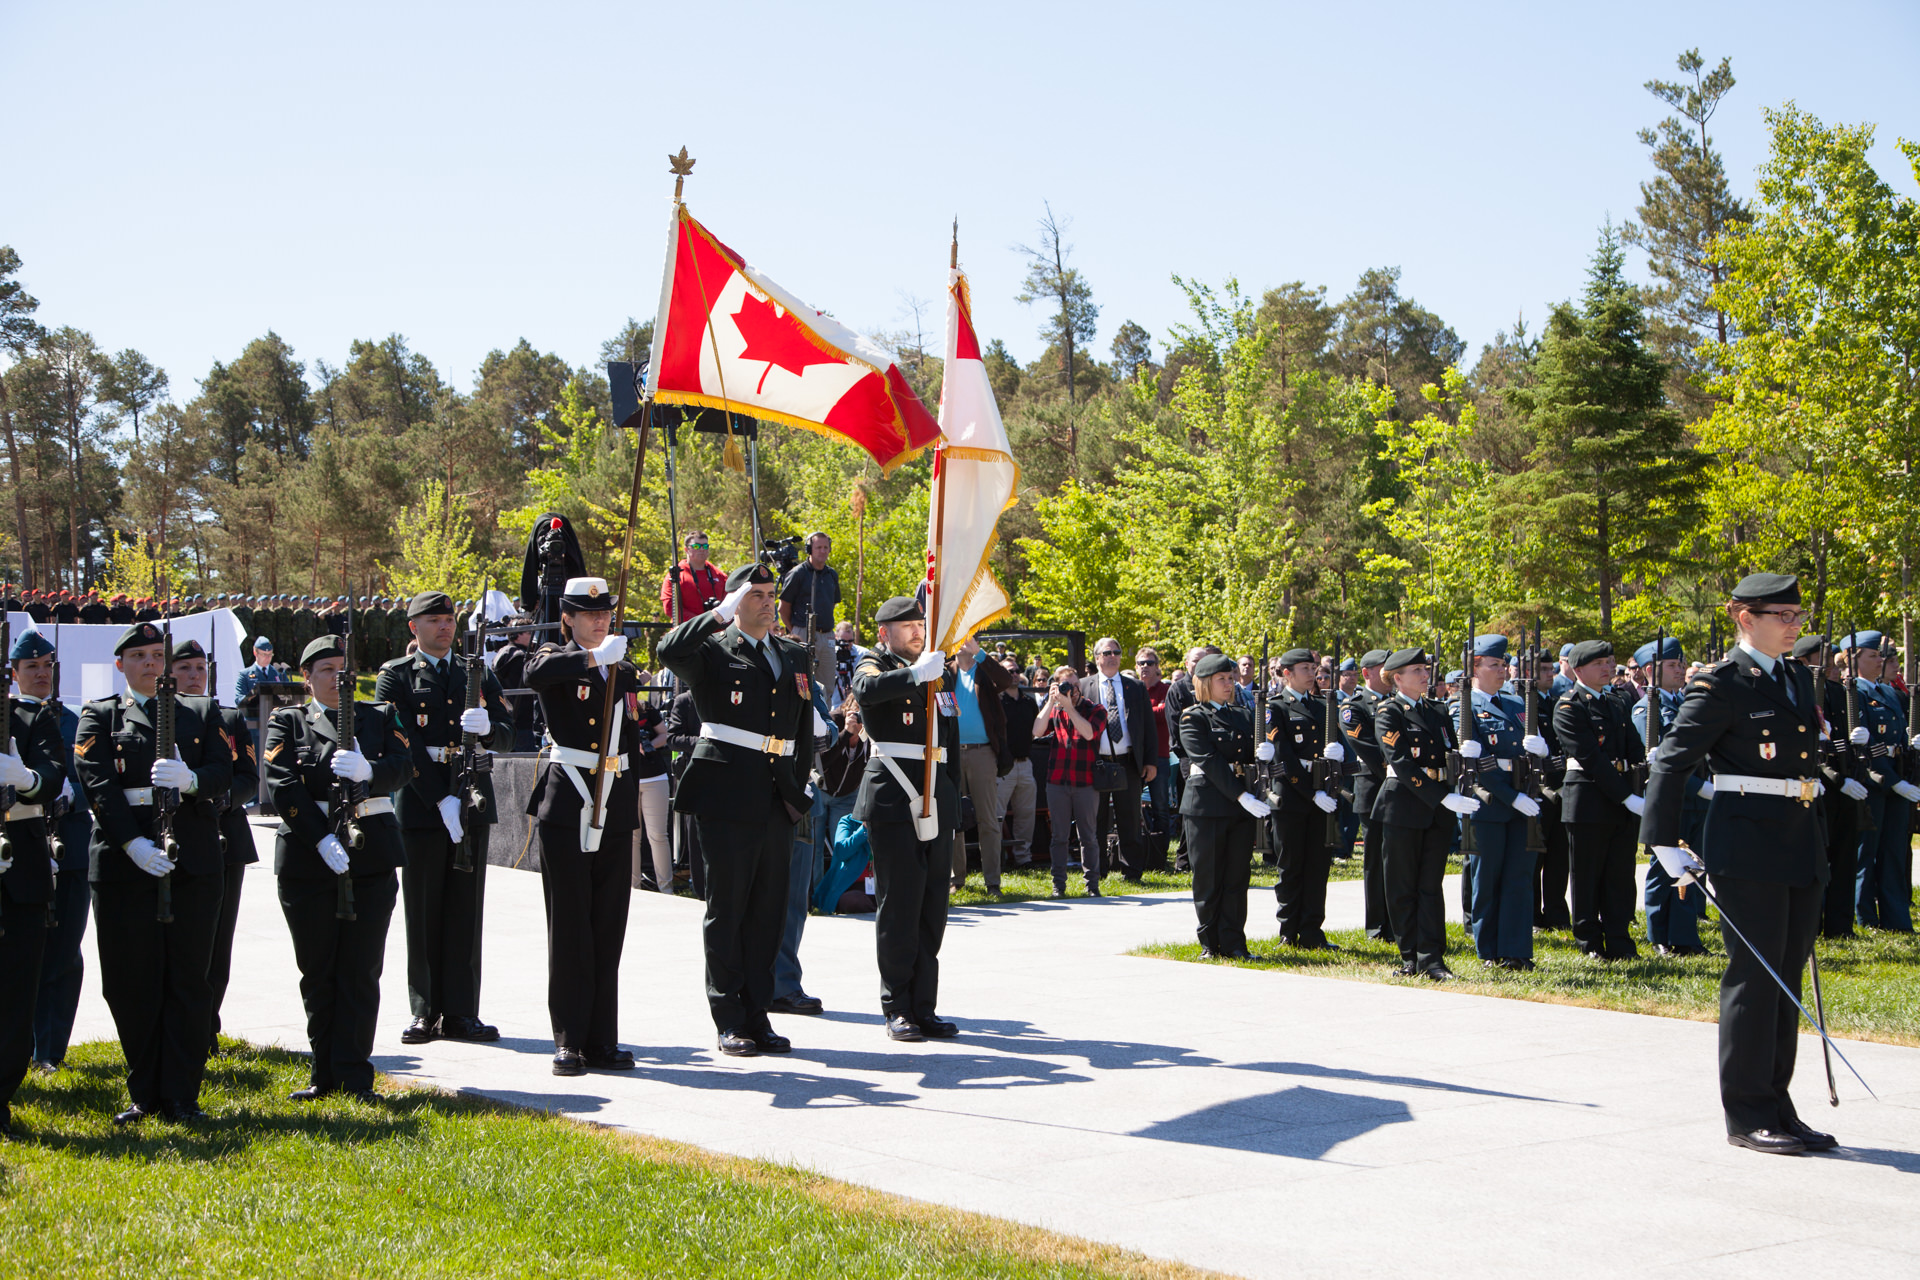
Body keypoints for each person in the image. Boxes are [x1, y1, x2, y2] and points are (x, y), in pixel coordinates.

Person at [1642, 573, 1836, 1155]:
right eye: (1784, 615)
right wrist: (1665, 844)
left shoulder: (1798, 677)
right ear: (1743, 617)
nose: (1795, 626)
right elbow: (1672, 764)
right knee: (1754, 981)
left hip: (1798, 839)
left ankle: (1778, 1103)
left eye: (1799, 616)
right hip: (1746, 844)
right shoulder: (1721, 684)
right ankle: (1747, 1113)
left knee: (1786, 978)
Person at [74, 621, 233, 1124]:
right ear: (120, 664)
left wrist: (192, 781)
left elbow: (225, 773)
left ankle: (183, 1093)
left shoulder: (204, 712)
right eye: (138, 655)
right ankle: (145, 1091)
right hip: (126, 862)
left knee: (188, 979)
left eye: (155, 655)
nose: (149, 663)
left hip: (193, 858)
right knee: (131, 980)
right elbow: (97, 784)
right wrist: (132, 842)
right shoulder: (99, 715)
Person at [658, 564, 816, 1056]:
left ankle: (758, 1013)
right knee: (728, 909)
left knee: (768, 911)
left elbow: (802, 728)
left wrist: (800, 787)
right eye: (758, 596)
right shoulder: (711, 650)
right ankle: (729, 1018)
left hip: (775, 795)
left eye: (772, 595)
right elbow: (667, 650)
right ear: (734, 603)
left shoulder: (792, 654)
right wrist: (716, 615)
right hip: (726, 793)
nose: (769, 603)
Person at [265, 635, 410, 1101]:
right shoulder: (287, 721)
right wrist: (320, 837)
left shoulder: (378, 717)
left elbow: (406, 766)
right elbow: (282, 785)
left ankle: (353, 1074)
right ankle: (322, 1071)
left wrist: (371, 771)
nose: (337, 678)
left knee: (361, 969)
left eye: (343, 669)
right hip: (309, 860)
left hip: (370, 857)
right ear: (306, 677)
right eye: (325, 669)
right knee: (318, 969)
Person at [375, 590, 514, 1046]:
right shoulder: (395, 676)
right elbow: (400, 744)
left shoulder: (478, 672)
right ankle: (424, 1011)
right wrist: (439, 799)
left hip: (471, 795)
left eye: (449, 619)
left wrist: (490, 728)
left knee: (464, 911)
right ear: (413, 627)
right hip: (421, 802)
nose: (445, 627)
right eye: (433, 620)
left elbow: (510, 735)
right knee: (423, 909)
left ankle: (461, 1013)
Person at [522, 577, 646, 1075]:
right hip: (568, 802)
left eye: (604, 613)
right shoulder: (558, 657)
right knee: (570, 926)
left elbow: (631, 740)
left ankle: (601, 1039)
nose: (599, 621)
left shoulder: (621, 666)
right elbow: (534, 671)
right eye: (587, 614)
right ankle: (569, 1040)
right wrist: (595, 658)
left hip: (613, 804)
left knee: (607, 926)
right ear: (567, 618)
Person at [847, 595, 959, 1041]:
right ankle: (897, 1007)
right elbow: (867, 692)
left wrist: (955, 798)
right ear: (884, 633)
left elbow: (947, 738)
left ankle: (923, 1005)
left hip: (937, 793)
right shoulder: (873, 664)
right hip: (894, 797)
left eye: (919, 623)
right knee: (899, 904)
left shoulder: (940, 671)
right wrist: (915, 674)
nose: (917, 630)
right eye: (907, 625)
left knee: (933, 905)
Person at [171, 637, 260, 1051]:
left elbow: (247, 775)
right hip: (171, 836)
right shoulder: (160, 717)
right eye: (184, 669)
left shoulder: (228, 717)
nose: (193, 677)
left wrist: (225, 797)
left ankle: (207, 1027)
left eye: (200, 670)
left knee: (216, 941)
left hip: (223, 836)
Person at [1373, 647, 1480, 979]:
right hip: (1405, 804)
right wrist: (1440, 797)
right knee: (1403, 884)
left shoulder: (1436, 710)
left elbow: (1445, 753)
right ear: (1397, 677)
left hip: (1438, 806)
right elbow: (1401, 762)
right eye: (1416, 670)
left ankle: (1432, 957)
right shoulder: (1389, 712)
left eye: (1425, 668)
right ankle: (1410, 956)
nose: (1424, 674)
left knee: (1430, 885)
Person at [0, 636, 70, 1132]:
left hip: (19, 868)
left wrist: (23, 778)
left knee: (15, 988)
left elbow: (51, 773)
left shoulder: (32, 718)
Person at [20, 629, 93, 1074]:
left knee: (64, 950)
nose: (42, 674)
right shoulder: (10, 720)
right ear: (15, 674)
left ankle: (50, 1051)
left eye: (48, 666)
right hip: (24, 850)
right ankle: (20, 1043)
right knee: (22, 952)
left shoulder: (75, 722)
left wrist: (74, 795)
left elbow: (97, 778)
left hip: (71, 848)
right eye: (32, 667)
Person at [1458, 635, 1548, 969]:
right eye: (1494, 664)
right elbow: (1479, 767)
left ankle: (1517, 950)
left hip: (1523, 797)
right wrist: (1514, 798)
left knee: (1519, 879)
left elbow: (1536, 750)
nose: (1502, 670)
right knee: (1489, 878)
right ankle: (1489, 951)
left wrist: (1543, 749)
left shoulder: (1516, 704)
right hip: (1490, 804)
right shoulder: (1464, 707)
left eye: (1503, 664)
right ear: (1475, 667)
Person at [1554, 639, 1648, 960]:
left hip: (1621, 798)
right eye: (1599, 664)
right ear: (1579, 670)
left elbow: (1634, 748)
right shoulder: (1569, 706)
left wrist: (1642, 784)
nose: (1608, 668)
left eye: (1609, 662)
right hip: (1588, 800)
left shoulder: (1617, 702)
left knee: (1620, 876)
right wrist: (1627, 797)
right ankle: (1589, 942)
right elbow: (1591, 759)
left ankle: (1620, 940)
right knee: (1587, 875)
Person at [1180, 653, 1270, 959]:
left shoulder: (1242, 715)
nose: (1229, 684)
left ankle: (1234, 943)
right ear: (1205, 683)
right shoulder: (1193, 717)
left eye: (1231, 678)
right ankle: (1210, 943)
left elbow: (1249, 758)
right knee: (1208, 878)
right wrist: (1241, 796)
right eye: (1222, 679)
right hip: (1206, 807)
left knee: (1236, 878)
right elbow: (1209, 761)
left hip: (1239, 809)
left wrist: (1267, 752)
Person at [1633, 636, 1710, 956]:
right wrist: (1699, 787)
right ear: (1651, 669)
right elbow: (1667, 758)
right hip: (1670, 798)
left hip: (1694, 799)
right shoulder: (1646, 708)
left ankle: (1685, 935)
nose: (1680, 670)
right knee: (1663, 868)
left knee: (1690, 867)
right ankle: (1661, 935)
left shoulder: (1682, 703)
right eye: (1673, 665)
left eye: (1681, 664)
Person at [1836, 631, 1918, 932]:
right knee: (1866, 854)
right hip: (1872, 782)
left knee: (1894, 852)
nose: (1880, 660)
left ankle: (1897, 919)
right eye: (1873, 655)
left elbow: (1896, 739)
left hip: (1897, 779)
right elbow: (1864, 750)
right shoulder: (1853, 693)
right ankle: (1866, 917)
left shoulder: (1887, 692)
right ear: (1853, 659)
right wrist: (1892, 780)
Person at [1265, 647, 1346, 949]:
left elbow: (1337, 745)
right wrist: (1312, 793)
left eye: (1313, 668)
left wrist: (1338, 759)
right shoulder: (1276, 708)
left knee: (1318, 865)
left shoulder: (1324, 705)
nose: (1312, 673)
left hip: (1323, 791)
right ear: (1286, 673)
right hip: (1294, 794)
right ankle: (1288, 930)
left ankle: (1312, 930)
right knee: (1292, 865)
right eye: (1304, 668)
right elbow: (1283, 758)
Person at [1804, 632, 1868, 939]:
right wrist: (1837, 780)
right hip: (1819, 787)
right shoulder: (1801, 694)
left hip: (1846, 783)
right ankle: (1813, 923)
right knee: (1818, 860)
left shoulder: (1839, 692)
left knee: (1844, 858)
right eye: (1823, 659)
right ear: (1805, 662)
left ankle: (1840, 926)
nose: (1830, 664)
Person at [1085, 637, 1154, 885]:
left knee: (1130, 819)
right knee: (1096, 820)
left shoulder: (1135, 687)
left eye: (1117, 651)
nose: (1112, 656)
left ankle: (1132, 871)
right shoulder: (1084, 687)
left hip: (1128, 762)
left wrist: (1150, 761)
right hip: (1095, 763)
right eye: (1107, 652)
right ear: (1097, 657)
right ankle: (1098, 870)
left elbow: (1148, 727)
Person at [950, 636, 1015, 895]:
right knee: (952, 819)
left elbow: (1007, 681)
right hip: (950, 754)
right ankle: (956, 880)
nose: (962, 643)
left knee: (987, 819)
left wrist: (980, 654)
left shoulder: (985, 671)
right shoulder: (944, 672)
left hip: (983, 754)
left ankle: (992, 882)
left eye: (967, 638)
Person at [1035, 665, 1106, 897]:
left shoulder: (1095, 709)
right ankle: (1058, 885)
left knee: (1088, 835)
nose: (1072, 690)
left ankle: (1092, 885)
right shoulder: (1055, 708)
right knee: (1059, 836)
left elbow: (1088, 733)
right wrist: (1050, 701)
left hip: (1086, 781)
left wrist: (1069, 708)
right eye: (1067, 685)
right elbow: (1036, 730)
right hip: (1057, 780)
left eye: (1075, 685)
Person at [1345, 649, 1393, 940]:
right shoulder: (1357, 706)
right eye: (1384, 668)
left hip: (1401, 789)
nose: (1390, 672)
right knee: (1376, 859)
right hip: (1374, 787)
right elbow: (1367, 748)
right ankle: (1377, 925)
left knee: (1398, 859)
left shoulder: (1399, 703)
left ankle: (1399, 920)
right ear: (1367, 673)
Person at [1530, 649, 1573, 930]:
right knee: (1535, 857)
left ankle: (1556, 912)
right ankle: (1533, 915)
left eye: (1550, 669)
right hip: (1538, 788)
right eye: (1543, 669)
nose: (1549, 674)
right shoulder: (1526, 704)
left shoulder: (1555, 702)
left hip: (1559, 785)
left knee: (1559, 857)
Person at [778, 531, 841, 694]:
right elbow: (783, 607)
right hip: (803, 632)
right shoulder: (798, 573)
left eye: (826, 547)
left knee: (827, 687)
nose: (822, 551)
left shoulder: (832, 575)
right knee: (802, 685)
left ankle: (824, 718)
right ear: (809, 549)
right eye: (818, 547)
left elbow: (831, 604)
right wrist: (796, 631)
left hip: (827, 636)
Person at [1135, 647, 1175, 871]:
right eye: (1141, 663)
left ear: (1157, 667)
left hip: (1159, 756)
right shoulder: (1132, 689)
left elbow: (1163, 713)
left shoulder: (1166, 690)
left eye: (1150, 663)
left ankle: (1160, 855)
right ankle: (1135, 853)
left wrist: (1141, 711)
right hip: (1134, 757)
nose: (1145, 667)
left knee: (1160, 807)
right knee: (1131, 806)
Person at [491, 618, 540, 752]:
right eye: (529, 633)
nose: (532, 637)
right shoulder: (519, 658)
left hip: (509, 715)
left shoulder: (503, 653)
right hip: (522, 718)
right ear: (517, 635)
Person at [659, 530, 726, 624]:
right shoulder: (676, 575)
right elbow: (670, 608)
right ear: (686, 549)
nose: (702, 549)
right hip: (688, 632)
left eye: (705, 546)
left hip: (718, 633)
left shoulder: (719, 575)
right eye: (696, 546)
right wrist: (702, 622)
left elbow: (730, 603)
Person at [235, 637, 282, 707]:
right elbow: (238, 699)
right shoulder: (244, 674)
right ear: (255, 653)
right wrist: (250, 696)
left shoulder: (278, 673)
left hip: (275, 715)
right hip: (254, 715)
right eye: (264, 654)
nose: (267, 658)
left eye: (270, 654)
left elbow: (287, 696)